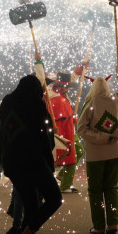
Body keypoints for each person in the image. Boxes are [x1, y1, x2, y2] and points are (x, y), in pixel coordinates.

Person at [0, 75, 62, 234]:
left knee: (31, 206)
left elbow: (2, 133)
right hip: (32, 160)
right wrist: (49, 162)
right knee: (54, 198)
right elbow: (43, 136)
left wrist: (1, 158)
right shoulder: (35, 103)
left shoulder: (7, 103)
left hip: (11, 161)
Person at [78, 67, 118, 234]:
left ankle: (99, 226)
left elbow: (81, 130)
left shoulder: (89, 105)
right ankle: (113, 224)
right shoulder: (115, 100)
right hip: (115, 152)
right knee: (111, 188)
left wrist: (100, 137)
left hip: (95, 156)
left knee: (95, 191)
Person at [34, 54, 87, 193]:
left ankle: (61, 175)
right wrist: (38, 62)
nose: (67, 89)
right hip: (57, 127)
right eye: (64, 87)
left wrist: (80, 68)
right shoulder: (52, 94)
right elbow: (39, 77)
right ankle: (64, 186)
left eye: (67, 86)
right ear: (57, 84)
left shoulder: (60, 83)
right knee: (70, 154)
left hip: (67, 125)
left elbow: (72, 78)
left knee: (79, 150)